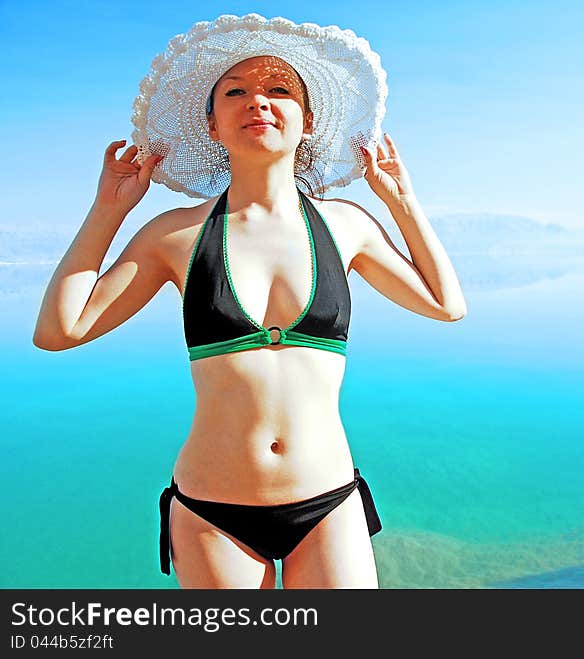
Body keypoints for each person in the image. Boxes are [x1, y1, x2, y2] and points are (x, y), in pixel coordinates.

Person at [32, 14, 467, 589]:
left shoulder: (346, 226)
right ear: (212, 124)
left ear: (306, 121)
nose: (257, 102)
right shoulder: (174, 236)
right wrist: (108, 210)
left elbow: (445, 304)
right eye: (235, 92)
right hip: (215, 511)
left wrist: (403, 203)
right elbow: (60, 330)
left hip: (328, 502)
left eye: (278, 90)